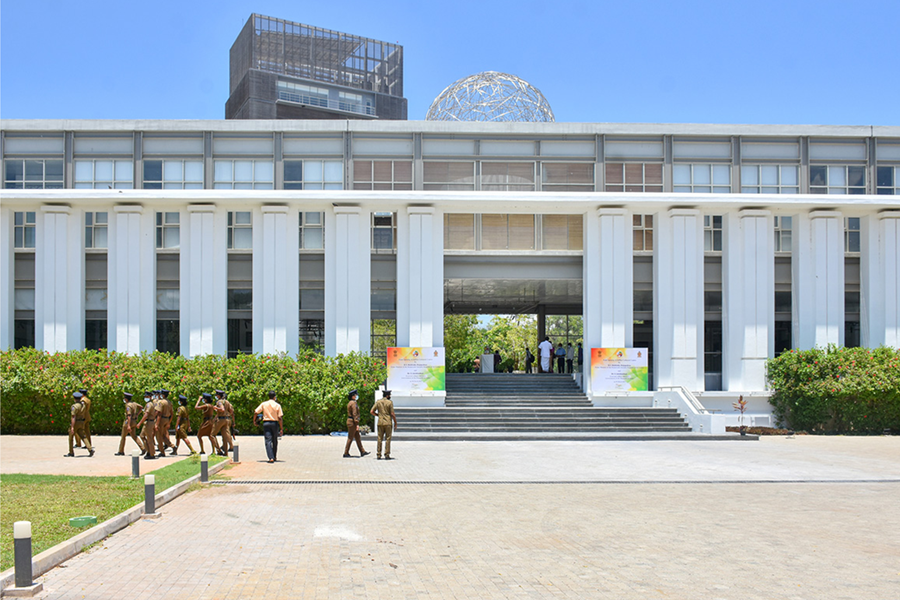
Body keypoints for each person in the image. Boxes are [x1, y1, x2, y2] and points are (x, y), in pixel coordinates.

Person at [254, 391, 283, 463]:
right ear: (274, 397)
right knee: (274, 440)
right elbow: (279, 417)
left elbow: (256, 412)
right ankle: (274, 456)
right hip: (274, 423)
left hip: (266, 423)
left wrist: (254, 420)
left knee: (268, 441)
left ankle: (271, 457)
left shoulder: (264, 404)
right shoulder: (277, 405)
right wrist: (281, 428)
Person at [370, 390, 398, 460]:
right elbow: (392, 413)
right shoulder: (390, 402)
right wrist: (395, 422)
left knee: (379, 438)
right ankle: (387, 454)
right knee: (388, 439)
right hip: (388, 422)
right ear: (387, 395)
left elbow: (372, 411)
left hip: (380, 422)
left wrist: (378, 415)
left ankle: (379, 454)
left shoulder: (378, 402)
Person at [65, 392, 94, 457]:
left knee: (71, 437)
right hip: (81, 422)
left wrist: (72, 426)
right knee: (83, 436)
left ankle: (71, 452)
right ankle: (90, 449)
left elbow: (73, 416)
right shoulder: (83, 405)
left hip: (76, 422)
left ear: (74, 399)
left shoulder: (74, 406)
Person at [343, 389, 370, 458]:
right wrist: (357, 424)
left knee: (357, 437)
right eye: (355, 395)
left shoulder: (351, 403)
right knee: (350, 438)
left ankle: (362, 451)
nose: (357, 396)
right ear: (353, 396)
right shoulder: (353, 403)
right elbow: (354, 414)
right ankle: (346, 452)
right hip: (352, 422)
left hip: (351, 421)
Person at [135, 391, 159, 460]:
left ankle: (151, 454)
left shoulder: (149, 404)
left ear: (150, 397)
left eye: (147, 397)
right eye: (145, 397)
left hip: (149, 422)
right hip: (147, 422)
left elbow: (146, 415)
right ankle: (148, 450)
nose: (146, 398)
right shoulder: (148, 404)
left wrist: (139, 423)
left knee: (149, 438)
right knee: (142, 436)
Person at [211, 390, 233, 456]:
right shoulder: (227, 402)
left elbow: (222, 409)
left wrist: (216, 408)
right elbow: (231, 411)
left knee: (212, 435)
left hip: (220, 419)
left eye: (216, 395)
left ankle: (219, 450)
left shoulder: (219, 402)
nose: (216, 396)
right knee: (224, 436)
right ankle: (226, 453)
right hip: (227, 419)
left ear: (219, 395)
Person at [156, 390, 174, 457]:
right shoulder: (169, 402)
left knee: (159, 436)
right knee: (163, 435)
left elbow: (159, 414)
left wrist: (156, 424)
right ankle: (173, 446)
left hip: (161, 420)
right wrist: (169, 422)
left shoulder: (161, 402)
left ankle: (162, 452)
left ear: (163, 395)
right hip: (167, 419)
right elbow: (172, 414)